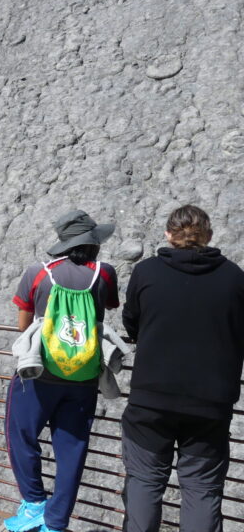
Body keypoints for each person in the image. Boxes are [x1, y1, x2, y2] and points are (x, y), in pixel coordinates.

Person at [121, 205, 244, 532]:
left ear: (168, 235)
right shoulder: (235, 278)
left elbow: (131, 321)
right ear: (210, 236)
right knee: (202, 489)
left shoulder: (146, 272)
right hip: (210, 404)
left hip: (151, 399)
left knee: (145, 482)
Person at [4, 210, 119, 532]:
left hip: (40, 373)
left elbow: (23, 317)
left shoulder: (38, 273)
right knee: (72, 448)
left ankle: (35, 503)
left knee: (20, 434)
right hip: (83, 375)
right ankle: (56, 522)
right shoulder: (104, 273)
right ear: (92, 243)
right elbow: (108, 307)